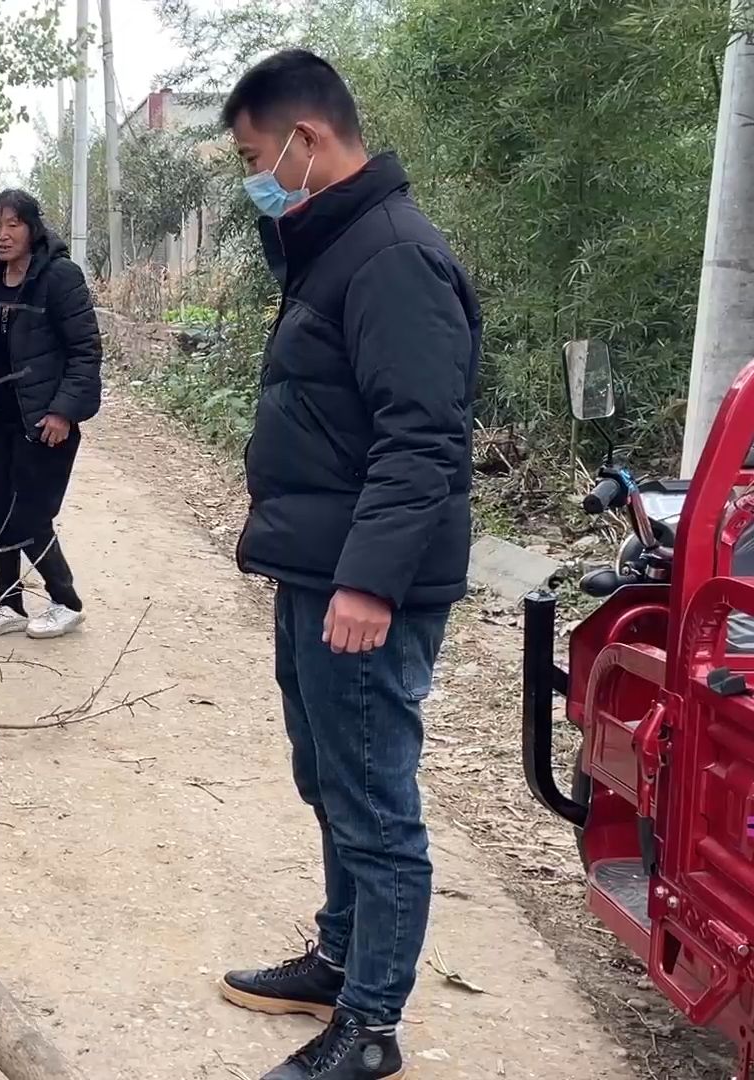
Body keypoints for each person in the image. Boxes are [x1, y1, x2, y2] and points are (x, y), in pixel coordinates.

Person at [212, 50, 480, 1080]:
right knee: (329, 775)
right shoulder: (337, 241)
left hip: (367, 583)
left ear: (306, 140)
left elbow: (423, 439)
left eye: (255, 156)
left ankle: (370, 1025)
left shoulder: (394, 257)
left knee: (374, 796)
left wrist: (370, 580)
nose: (255, 177)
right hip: (320, 568)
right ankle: (338, 954)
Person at [0, 189, 102, 640]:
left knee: (31, 515)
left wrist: (63, 412)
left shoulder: (59, 277)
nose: (2, 235)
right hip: (7, 415)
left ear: (32, 228)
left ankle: (66, 602)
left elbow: (85, 350)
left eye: (12, 225)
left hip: (46, 422)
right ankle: (9, 603)